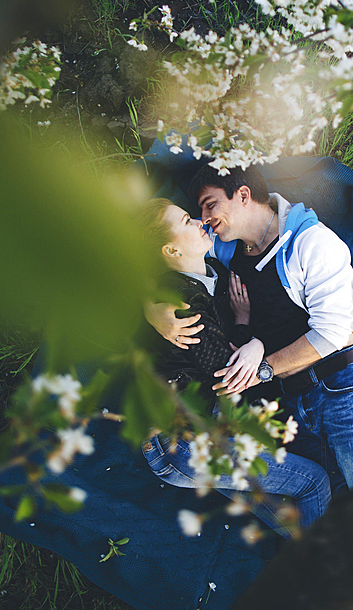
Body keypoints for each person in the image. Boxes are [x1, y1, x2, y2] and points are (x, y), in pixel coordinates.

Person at [151, 164, 353, 491]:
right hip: (290, 402)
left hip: (340, 383)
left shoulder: (312, 242)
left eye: (210, 205)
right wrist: (150, 305)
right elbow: (170, 261)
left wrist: (263, 366)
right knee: (334, 499)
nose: (204, 218)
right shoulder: (223, 249)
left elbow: (333, 334)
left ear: (243, 195)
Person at [138, 198, 330, 533]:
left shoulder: (214, 278)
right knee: (313, 481)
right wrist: (248, 333)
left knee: (287, 513)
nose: (200, 221)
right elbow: (227, 373)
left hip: (204, 431)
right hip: (183, 443)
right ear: (171, 251)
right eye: (187, 221)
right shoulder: (178, 304)